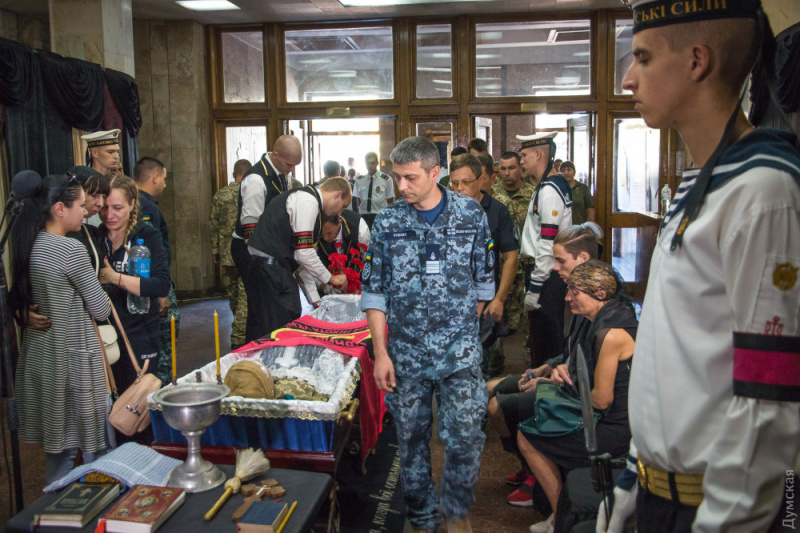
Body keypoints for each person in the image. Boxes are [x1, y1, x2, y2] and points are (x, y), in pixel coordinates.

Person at [601, 2, 800, 532]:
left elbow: (771, 396)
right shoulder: (706, 182)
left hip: (720, 507)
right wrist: (631, 486)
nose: (627, 78)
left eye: (642, 58)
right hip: (659, 491)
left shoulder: (762, 190)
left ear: (697, 61)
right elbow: (673, 358)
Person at [362, 136, 494, 533]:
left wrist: (457, 331)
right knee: (411, 441)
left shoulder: (471, 215)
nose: (401, 186)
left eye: (409, 177)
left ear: (435, 173)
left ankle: (456, 511)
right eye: (396, 177)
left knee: (466, 437)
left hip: (460, 355)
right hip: (405, 355)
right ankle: (421, 517)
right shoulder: (387, 222)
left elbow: (483, 287)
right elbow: (374, 292)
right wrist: (382, 354)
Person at [487, 222, 603, 507]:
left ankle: (539, 481)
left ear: (583, 260)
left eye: (560, 260)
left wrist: (549, 381)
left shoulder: (598, 301)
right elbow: (570, 351)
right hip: (562, 377)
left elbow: (594, 380)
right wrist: (547, 367)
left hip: (576, 398)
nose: (554, 267)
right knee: (488, 388)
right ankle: (530, 468)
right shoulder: (577, 291)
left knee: (497, 407)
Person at [520, 260, 637, 533]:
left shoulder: (611, 335)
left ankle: (560, 517)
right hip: (610, 418)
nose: (567, 297)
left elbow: (600, 401)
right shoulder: (610, 316)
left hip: (616, 429)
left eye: (574, 291)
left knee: (527, 437)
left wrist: (561, 385)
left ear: (598, 294)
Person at [10, 174, 112, 483]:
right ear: (59, 209)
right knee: (93, 452)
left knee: (60, 451)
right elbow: (101, 309)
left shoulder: (30, 243)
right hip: (75, 363)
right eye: (81, 205)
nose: (86, 211)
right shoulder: (71, 251)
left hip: (43, 359)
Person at [97, 175, 171, 445]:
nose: (110, 214)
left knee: (137, 405)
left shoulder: (146, 235)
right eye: (104, 207)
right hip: (105, 334)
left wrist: (115, 277)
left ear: (132, 204)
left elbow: (160, 284)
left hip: (139, 331)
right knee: (111, 406)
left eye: (117, 208)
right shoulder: (96, 237)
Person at [244, 177, 351, 342]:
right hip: (268, 268)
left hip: (273, 268)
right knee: (274, 325)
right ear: (337, 195)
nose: (339, 213)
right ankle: (265, 363)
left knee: (286, 314)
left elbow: (301, 263)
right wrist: (330, 278)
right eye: (342, 207)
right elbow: (304, 254)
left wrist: (316, 302)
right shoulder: (308, 201)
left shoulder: (310, 203)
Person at [449, 153, 519, 380]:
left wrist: (500, 298)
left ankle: (482, 413)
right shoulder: (444, 212)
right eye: (455, 183)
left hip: (486, 303)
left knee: (484, 368)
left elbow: (510, 257)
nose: (460, 188)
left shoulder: (498, 211)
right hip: (451, 305)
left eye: (466, 182)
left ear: (480, 181)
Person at [231, 135, 303, 332]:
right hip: (251, 249)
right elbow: (250, 227)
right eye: (289, 164)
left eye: (295, 165)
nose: (292, 169)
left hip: (266, 248)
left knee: (268, 306)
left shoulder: (281, 172)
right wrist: (263, 260)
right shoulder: (256, 179)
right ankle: (254, 350)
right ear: (275, 154)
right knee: (260, 307)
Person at [518, 132, 573, 368]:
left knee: (546, 343)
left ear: (538, 154)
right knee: (541, 340)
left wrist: (536, 286)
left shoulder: (550, 190)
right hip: (545, 273)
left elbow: (548, 242)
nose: (521, 161)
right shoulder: (547, 186)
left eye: (524, 155)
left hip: (547, 276)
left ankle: (544, 395)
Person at [134, 157, 177, 385]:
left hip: (151, 284)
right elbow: (150, 252)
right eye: (165, 179)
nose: (165, 185)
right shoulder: (146, 206)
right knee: (163, 343)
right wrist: (162, 291)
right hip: (153, 286)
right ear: (155, 177)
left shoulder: (141, 202)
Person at [492, 152, 537, 335]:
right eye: (503, 168)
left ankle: (531, 361)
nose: (507, 172)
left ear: (521, 168)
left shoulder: (533, 194)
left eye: (512, 168)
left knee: (529, 320)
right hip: (499, 265)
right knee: (497, 322)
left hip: (526, 264)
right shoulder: (492, 193)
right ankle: (497, 363)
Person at [210, 158, 251, 349]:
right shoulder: (251, 193)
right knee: (245, 295)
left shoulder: (221, 195)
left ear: (234, 173)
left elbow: (213, 224)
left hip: (227, 254)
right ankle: (240, 334)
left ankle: (239, 328)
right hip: (246, 253)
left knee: (234, 296)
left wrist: (215, 250)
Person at [300, 210, 370, 306]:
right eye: (321, 234)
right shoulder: (312, 234)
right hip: (326, 292)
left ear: (339, 223)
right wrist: (324, 287)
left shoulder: (359, 228)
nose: (325, 238)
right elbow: (307, 267)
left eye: (329, 233)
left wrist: (362, 287)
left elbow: (370, 262)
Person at [353, 151, 395, 228]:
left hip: (379, 214)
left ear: (377, 163)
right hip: (364, 215)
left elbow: (390, 200)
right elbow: (358, 200)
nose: (370, 165)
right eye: (368, 163)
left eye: (372, 163)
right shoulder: (359, 180)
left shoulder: (386, 179)